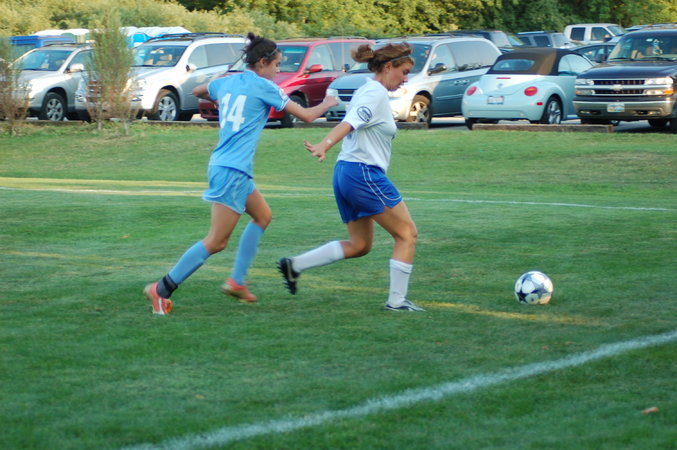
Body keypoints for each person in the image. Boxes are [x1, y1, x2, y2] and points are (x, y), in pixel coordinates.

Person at [143, 32, 338, 315]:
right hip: (231, 171)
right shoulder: (264, 87)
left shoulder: (228, 81)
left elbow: (199, 91)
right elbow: (307, 116)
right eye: (276, 65)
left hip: (229, 167)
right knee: (216, 241)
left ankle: (237, 281)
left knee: (263, 216)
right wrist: (329, 103)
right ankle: (161, 289)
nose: (278, 70)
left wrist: (219, 95)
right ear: (262, 62)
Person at [277, 42, 424, 312]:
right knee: (407, 234)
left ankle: (294, 265)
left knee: (360, 245)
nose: (405, 78)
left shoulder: (367, 90)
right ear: (388, 67)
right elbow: (350, 123)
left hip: (346, 172)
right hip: (363, 173)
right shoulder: (374, 93)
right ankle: (397, 302)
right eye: (403, 72)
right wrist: (324, 144)